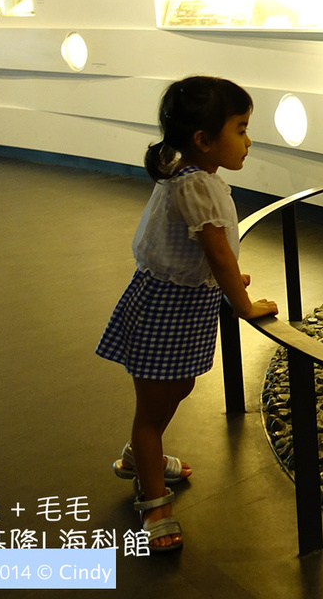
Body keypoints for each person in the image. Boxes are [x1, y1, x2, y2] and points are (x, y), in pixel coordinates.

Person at [95, 76, 278, 551]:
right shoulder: (196, 186)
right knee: (153, 410)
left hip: (182, 306)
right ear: (203, 139)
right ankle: (153, 500)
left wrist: (229, 280)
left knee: (178, 386)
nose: (248, 139)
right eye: (239, 128)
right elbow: (217, 252)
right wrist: (243, 305)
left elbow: (204, 250)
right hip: (165, 310)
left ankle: (143, 458)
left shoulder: (193, 176)